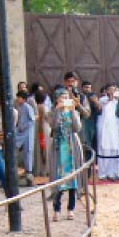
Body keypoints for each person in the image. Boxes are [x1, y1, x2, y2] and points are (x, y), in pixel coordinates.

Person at [48, 88, 83, 221]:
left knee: (72, 179)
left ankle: (71, 209)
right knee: (59, 179)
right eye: (61, 97)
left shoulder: (72, 112)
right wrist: (58, 110)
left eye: (66, 97)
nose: (64, 100)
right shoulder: (51, 112)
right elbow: (54, 125)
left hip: (71, 145)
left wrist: (73, 110)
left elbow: (77, 127)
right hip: (58, 147)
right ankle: (56, 209)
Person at [97, 83, 119, 181]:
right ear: (107, 91)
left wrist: (117, 99)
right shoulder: (103, 100)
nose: (112, 91)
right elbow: (102, 105)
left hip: (115, 130)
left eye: (114, 89)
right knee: (104, 151)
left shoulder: (118, 101)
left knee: (114, 151)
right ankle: (102, 174)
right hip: (105, 130)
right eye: (110, 90)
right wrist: (110, 98)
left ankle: (111, 173)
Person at [15, 91, 36, 183]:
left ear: (23, 99)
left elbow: (32, 120)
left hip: (27, 132)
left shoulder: (28, 107)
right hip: (20, 132)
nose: (17, 99)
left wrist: (23, 127)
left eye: (19, 97)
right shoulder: (18, 107)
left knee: (28, 151)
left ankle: (29, 172)